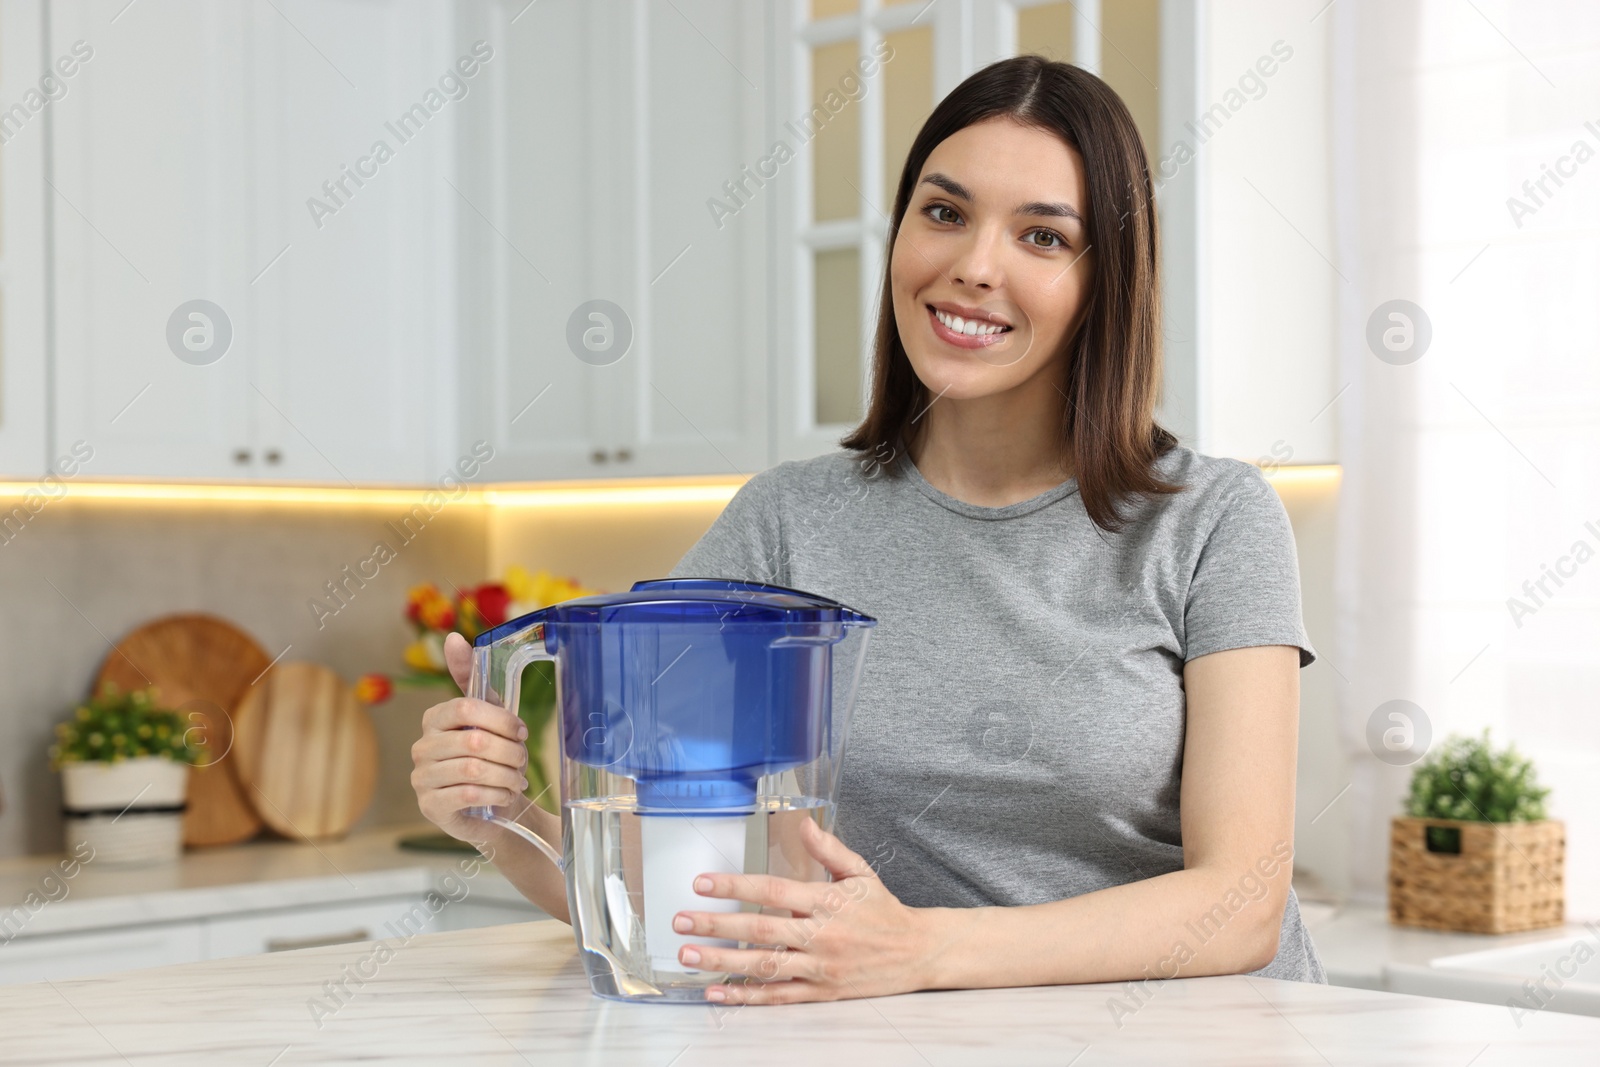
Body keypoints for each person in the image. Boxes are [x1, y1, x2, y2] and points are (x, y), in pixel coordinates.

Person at [411, 54, 1324, 1005]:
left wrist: (921, 950)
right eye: (944, 212)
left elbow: (1242, 899)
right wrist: (502, 815)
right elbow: (671, 894)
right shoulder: (786, 522)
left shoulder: (1212, 519)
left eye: (1043, 237)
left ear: (1107, 282)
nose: (973, 264)